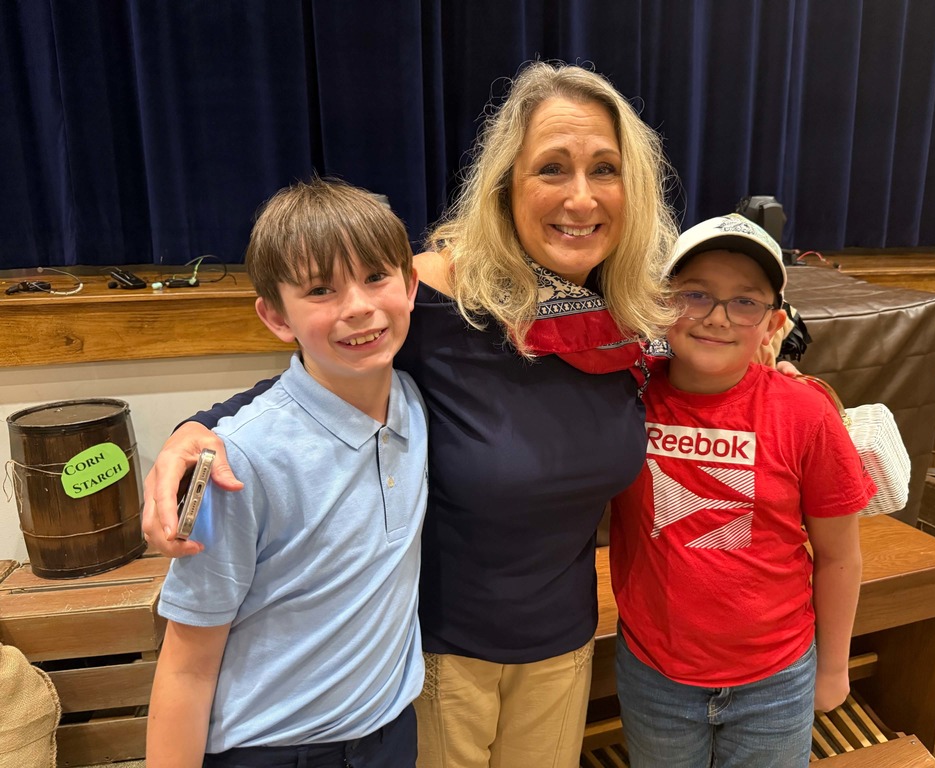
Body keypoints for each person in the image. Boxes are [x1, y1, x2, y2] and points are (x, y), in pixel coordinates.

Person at [142, 61, 677, 768]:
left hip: (564, 647)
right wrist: (194, 432)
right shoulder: (434, 297)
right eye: (552, 167)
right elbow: (315, 372)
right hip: (439, 659)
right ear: (506, 185)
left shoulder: (634, 316)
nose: (581, 197)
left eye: (604, 169)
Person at [146, 178, 427, 767]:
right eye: (321, 289)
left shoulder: (415, 403)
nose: (358, 306)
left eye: (376, 276)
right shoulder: (237, 462)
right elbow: (187, 665)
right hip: (274, 750)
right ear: (276, 318)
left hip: (388, 732)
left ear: (411, 283)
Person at [609, 213, 873, 768]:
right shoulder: (623, 400)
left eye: (744, 302)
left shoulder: (804, 413)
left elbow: (839, 557)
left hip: (775, 681)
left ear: (773, 322)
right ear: (663, 302)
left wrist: (833, 667)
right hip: (654, 673)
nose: (717, 318)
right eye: (695, 295)